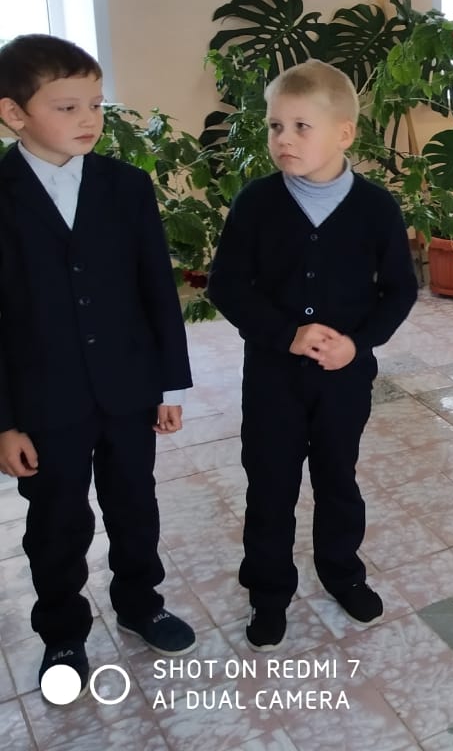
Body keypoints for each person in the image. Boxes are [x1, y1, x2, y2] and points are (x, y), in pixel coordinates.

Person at [0, 34, 196, 701]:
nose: (88, 119)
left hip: (128, 387)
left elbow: (156, 290)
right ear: (14, 113)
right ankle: (62, 631)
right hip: (44, 400)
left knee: (134, 502)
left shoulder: (125, 186)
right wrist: (4, 423)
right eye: (67, 107)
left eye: (95, 104)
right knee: (57, 521)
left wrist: (168, 384)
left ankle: (142, 602)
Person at [207, 59, 418, 651]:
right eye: (276, 126)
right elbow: (227, 286)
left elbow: (399, 289)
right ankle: (268, 590)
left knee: (337, 478)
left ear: (344, 133)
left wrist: (358, 343)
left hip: (344, 379)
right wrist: (285, 335)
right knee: (270, 485)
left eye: (302, 126)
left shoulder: (376, 208)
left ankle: (342, 572)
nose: (284, 139)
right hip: (272, 377)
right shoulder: (256, 203)